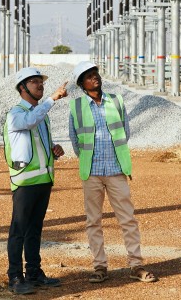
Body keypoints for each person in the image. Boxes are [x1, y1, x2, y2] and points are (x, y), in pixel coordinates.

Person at [67, 61, 158, 284]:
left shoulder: (116, 101)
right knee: (93, 221)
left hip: (116, 170)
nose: (94, 78)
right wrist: (88, 158)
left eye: (95, 74)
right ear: (81, 84)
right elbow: (74, 139)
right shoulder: (76, 106)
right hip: (92, 172)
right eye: (88, 76)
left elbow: (124, 133)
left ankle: (136, 265)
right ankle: (100, 266)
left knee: (127, 219)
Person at [4, 67, 68, 295]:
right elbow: (28, 122)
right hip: (25, 182)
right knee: (19, 230)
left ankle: (33, 273)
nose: (40, 85)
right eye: (34, 82)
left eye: (40, 82)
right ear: (22, 88)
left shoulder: (41, 114)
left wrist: (54, 148)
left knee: (34, 229)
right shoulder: (16, 113)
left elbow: (37, 140)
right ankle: (14, 277)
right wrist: (52, 99)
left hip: (43, 179)